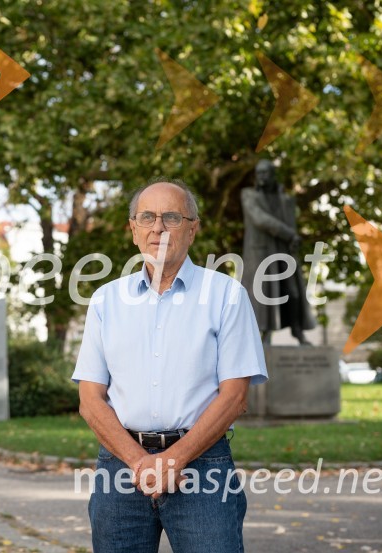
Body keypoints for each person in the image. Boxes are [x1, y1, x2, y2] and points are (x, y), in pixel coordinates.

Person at [72, 177, 268, 553]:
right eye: (147, 217)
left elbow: (234, 398)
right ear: (133, 230)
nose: (157, 227)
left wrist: (172, 460)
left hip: (202, 468)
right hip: (119, 470)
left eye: (171, 217)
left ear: (192, 229)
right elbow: (90, 399)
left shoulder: (226, 296)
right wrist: (140, 462)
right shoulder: (105, 301)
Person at [241, 159, 316, 345]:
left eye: (265, 173)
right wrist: (289, 234)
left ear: (273, 175)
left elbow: (291, 221)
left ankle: (297, 331)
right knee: (266, 293)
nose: (262, 177)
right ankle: (266, 334)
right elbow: (260, 219)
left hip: (284, 251)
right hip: (261, 252)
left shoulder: (285, 199)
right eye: (259, 173)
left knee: (294, 293)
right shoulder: (248, 195)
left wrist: (293, 240)